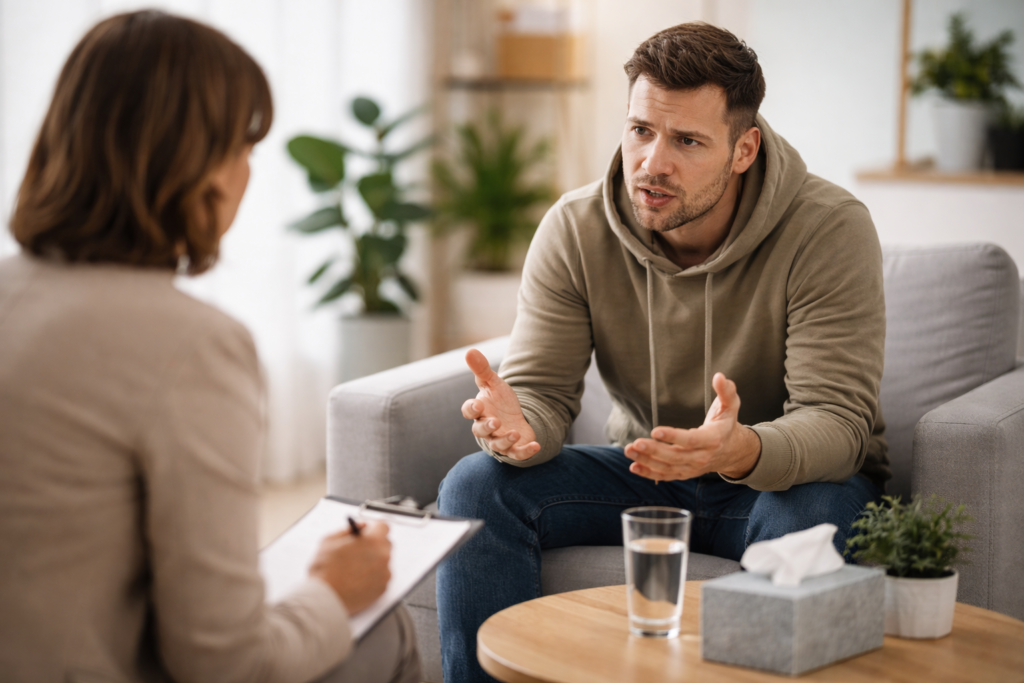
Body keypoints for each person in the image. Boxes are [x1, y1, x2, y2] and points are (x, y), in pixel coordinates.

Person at [436, 21, 889, 683]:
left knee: (814, 516)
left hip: (783, 483)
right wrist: (519, 425)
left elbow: (838, 422)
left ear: (743, 149)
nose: (651, 161)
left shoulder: (827, 228)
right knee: (475, 485)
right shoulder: (575, 226)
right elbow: (542, 394)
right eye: (641, 129)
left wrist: (739, 448)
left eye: (687, 140)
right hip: (648, 471)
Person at [0, 11, 419, 683]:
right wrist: (334, 591)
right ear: (203, 172)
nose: (247, 175)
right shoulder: (191, 344)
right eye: (243, 149)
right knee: (380, 627)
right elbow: (225, 661)